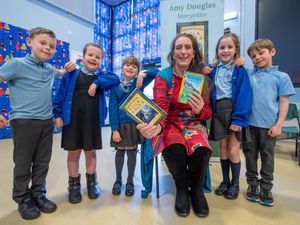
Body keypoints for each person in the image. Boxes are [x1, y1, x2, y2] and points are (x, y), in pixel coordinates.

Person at [0, 27, 75, 220]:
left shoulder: (49, 69)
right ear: (29, 42)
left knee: (42, 162)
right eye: (42, 43)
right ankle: (22, 198)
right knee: (23, 162)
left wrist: (69, 67)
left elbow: (61, 72)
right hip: (23, 121)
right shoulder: (16, 64)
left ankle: (38, 193)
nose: (48, 48)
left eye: (51, 46)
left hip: (45, 122)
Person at [137, 33, 212, 218]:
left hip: (193, 122)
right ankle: (181, 188)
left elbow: (208, 112)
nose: (183, 51)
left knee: (201, 148)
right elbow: (160, 107)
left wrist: (201, 109)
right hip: (169, 123)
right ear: (173, 52)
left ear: (194, 52)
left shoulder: (201, 78)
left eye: (188, 47)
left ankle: (196, 189)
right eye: (179, 47)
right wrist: (157, 127)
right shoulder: (164, 76)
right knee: (175, 147)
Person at [53, 43, 120, 204]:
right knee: (74, 153)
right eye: (90, 55)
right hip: (73, 121)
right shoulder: (72, 73)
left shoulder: (101, 76)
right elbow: (60, 95)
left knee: (90, 153)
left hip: (92, 122)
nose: (94, 59)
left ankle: (92, 184)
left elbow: (115, 79)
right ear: (83, 57)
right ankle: (74, 186)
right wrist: (57, 114)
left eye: (98, 57)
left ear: (101, 60)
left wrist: (97, 83)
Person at [243, 38, 295, 206]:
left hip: (269, 127)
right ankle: (252, 185)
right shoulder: (250, 73)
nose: (257, 57)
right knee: (250, 156)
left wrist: (279, 124)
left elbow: (284, 102)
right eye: (253, 56)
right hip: (249, 125)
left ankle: (266, 187)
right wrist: (239, 62)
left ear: (272, 52)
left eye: (261, 53)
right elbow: (237, 71)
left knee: (267, 157)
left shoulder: (282, 77)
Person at [208, 33, 252, 200]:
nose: (225, 50)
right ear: (217, 51)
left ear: (236, 50)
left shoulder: (240, 70)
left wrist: (239, 119)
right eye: (222, 47)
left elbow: (244, 95)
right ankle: (225, 182)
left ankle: (235, 184)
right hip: (218, 112)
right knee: (223, 149)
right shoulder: (213, 70)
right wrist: (206, 68)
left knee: (233, 150)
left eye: (229, 47)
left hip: (233, 112)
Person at [109, 56, 158, 196]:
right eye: (127, 65)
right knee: (120, 151)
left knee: (131, 152)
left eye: (134, 66)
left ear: (137, 70)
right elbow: (112, 108)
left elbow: (156, 71)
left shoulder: (139, 83)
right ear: (122, 67)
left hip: (134, 125)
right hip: (120, 125)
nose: (130, 68)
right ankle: (118, 181)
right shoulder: (115, 87)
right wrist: (114, 130)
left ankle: (130, 182)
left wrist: (143, 74)